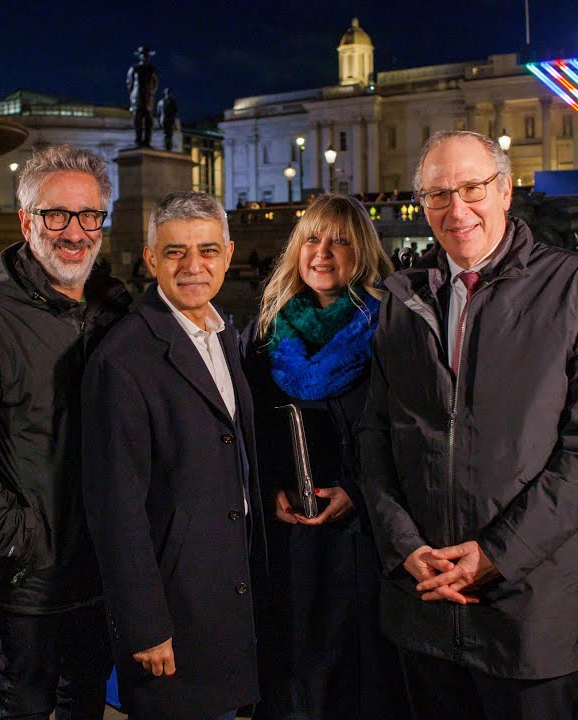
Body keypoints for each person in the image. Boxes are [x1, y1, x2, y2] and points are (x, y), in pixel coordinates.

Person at [355, 130, 578, 719]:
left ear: (506, 190)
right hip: (423, 606)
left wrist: (496, 556)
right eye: (437, 195)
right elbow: (377, 437)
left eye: (473, 188)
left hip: (529, 614)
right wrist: (404, 547)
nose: (457, 210)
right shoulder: (401, 299)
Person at [0, 145, 130, 719]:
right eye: (56, 215)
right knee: (28, 701)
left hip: (102, 558)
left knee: (86, 697)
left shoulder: (113, 310)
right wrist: (15, 538)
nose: (75, 231)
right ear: (26, 221)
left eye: (89, 215)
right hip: (32, 571)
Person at [82, 191, 265, 719]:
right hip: (174, 612)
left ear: (229, 254)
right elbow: (115, 508)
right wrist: (145, 624)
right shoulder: (124, 358)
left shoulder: (224, 335)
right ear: (150, 260)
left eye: (207, 251)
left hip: (228, 594)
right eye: (175, 253)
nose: (193, 267)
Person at [239, 194, 405, 720]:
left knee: (359, 684)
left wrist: (356, 492)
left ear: (365, 253)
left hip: (364, 540)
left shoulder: (391, 329)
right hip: (288, 538)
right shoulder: (265, 332)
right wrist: (270, 491)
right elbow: (248, 431)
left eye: (341, 241)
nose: (323, 252)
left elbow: (408, 433)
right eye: (312, 238)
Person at [127, 45, 159, 147]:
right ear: (140, 56)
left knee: (149, 121)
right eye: (143, 55)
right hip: (137, 98)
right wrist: (133, 96)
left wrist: (150, 94)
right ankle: (138, 141)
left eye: (146, 55)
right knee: (138, 121)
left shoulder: (152, 69)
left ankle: (147, 141)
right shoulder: (134, 68)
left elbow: (155, 84)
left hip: (148, 98)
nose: (145, 57)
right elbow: (129, 84)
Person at [155, 87, 178, 152]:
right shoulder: (164, 102)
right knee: (167, 134)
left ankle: (167, 146)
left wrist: (159, 120)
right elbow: (158, 112)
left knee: (168, 134)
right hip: (166, 120)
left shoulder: (170, 102)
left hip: (166, 120)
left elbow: (158, 112)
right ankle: (167, 147)